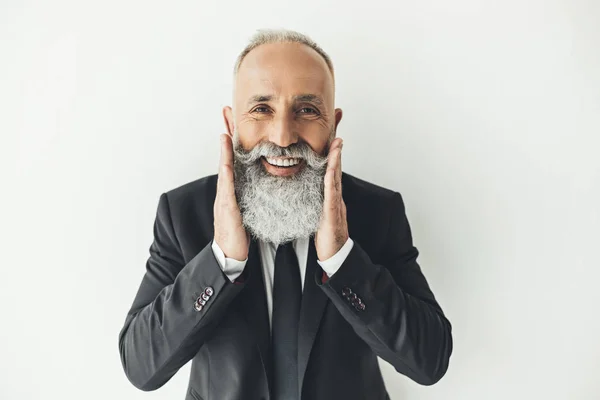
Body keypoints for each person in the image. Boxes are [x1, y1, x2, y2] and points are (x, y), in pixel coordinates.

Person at [118, 28, 453, 400]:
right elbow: (140, 366)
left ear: (334, 124)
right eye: (262, 109)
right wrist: (222, 260)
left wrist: (342, 259)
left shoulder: (378, 212)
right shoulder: (184, 213)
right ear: (231, 123)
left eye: (307, 111)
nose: (282, 136)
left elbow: (429, 361)